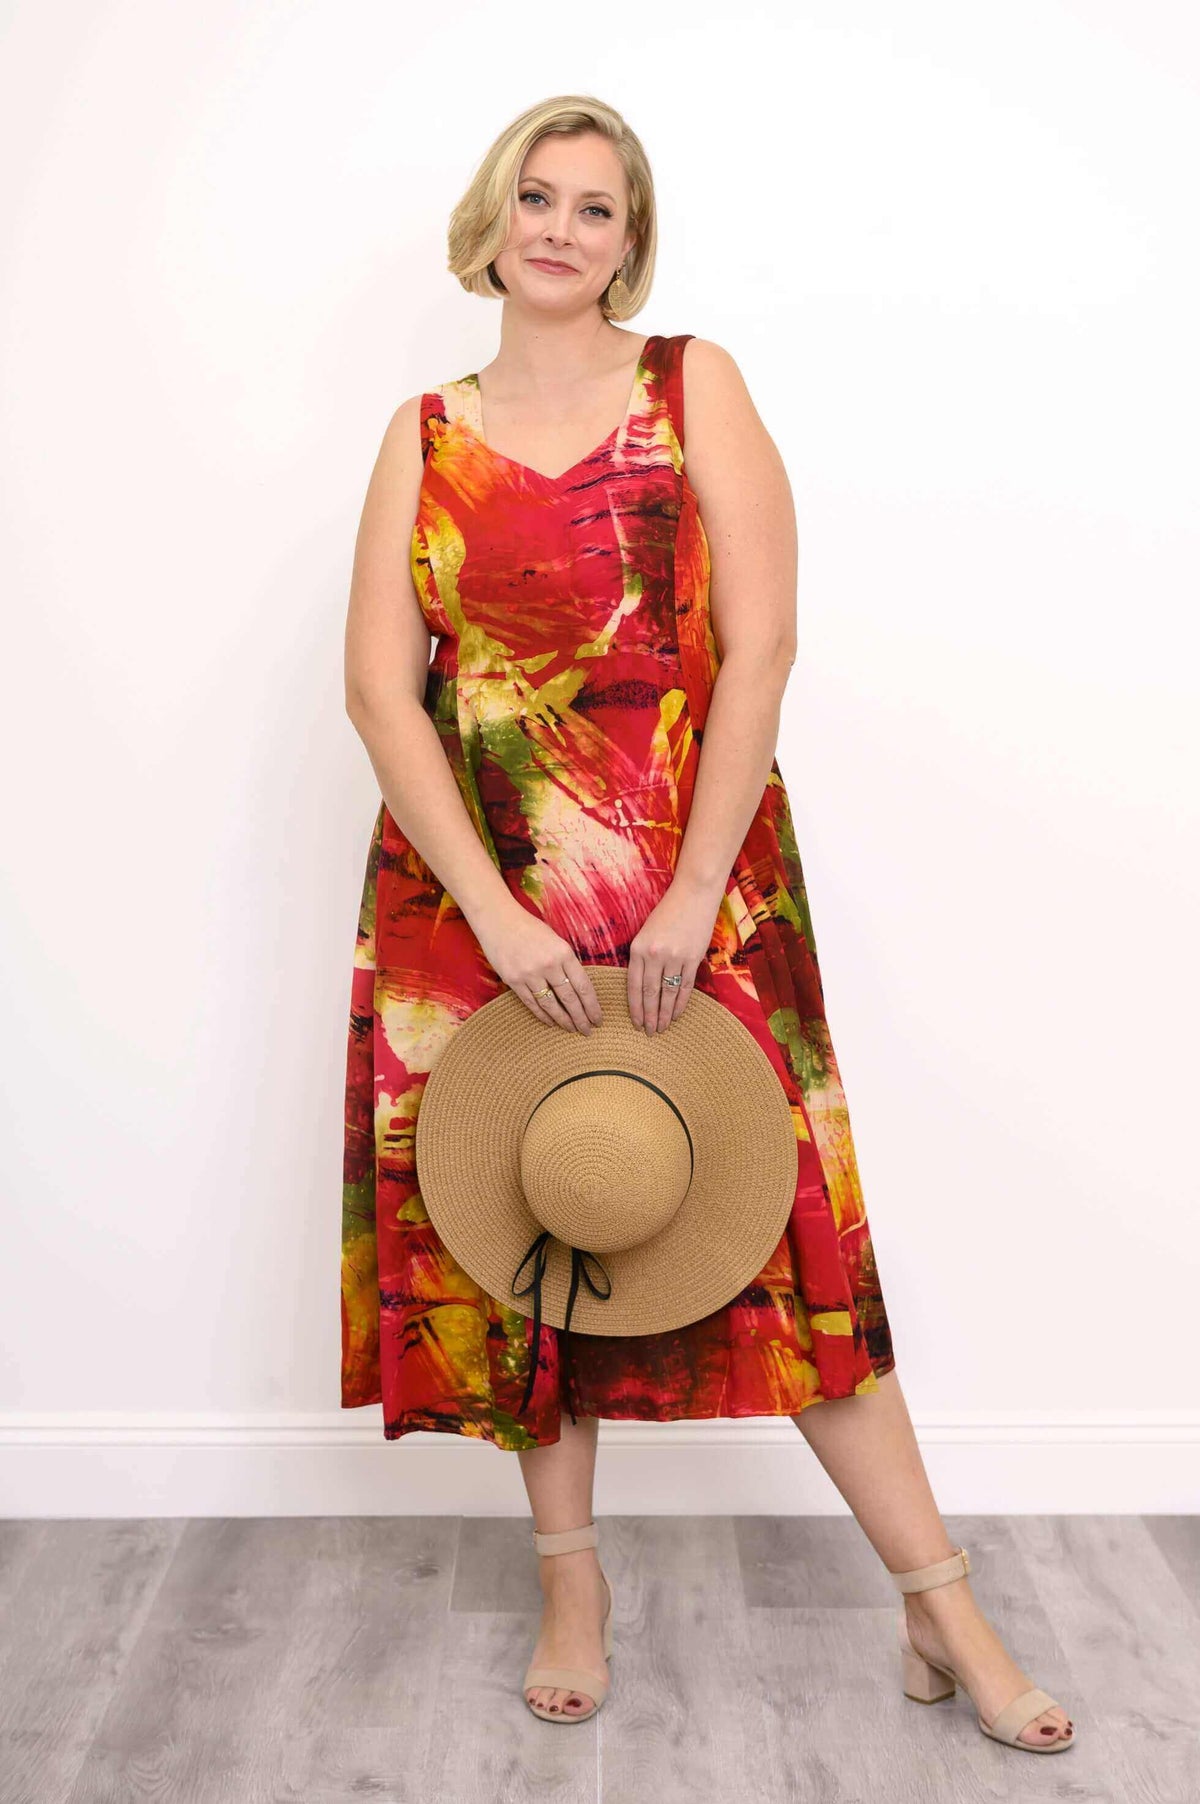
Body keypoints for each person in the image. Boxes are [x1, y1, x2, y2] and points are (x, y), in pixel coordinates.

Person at [339, 94, 1074, 1748]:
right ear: (491, 216)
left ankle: (942, 1605)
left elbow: (763, 649)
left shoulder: (692, 387)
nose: (559, 230)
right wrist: (496, 916)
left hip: (700, 889)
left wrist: (685, 893)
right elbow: (383, 695)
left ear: (629, 242)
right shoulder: (421, 431)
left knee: (792, 1250)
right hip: (480, 910)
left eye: (596, 210)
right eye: (536, 197)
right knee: (530, 1229)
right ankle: (571, 1580)